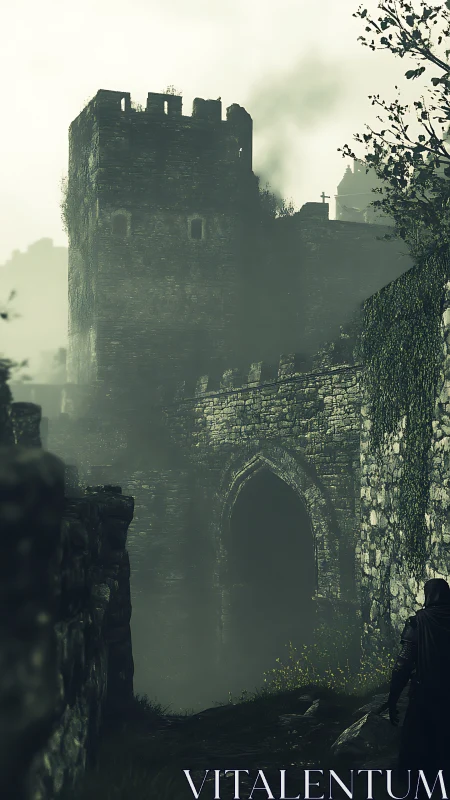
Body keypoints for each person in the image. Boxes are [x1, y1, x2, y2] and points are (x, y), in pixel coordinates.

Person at [388, 577, 450, 776]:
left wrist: (392, 699)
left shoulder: (418, 622)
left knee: (419, 749)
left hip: (426, 695)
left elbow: (402, 665)